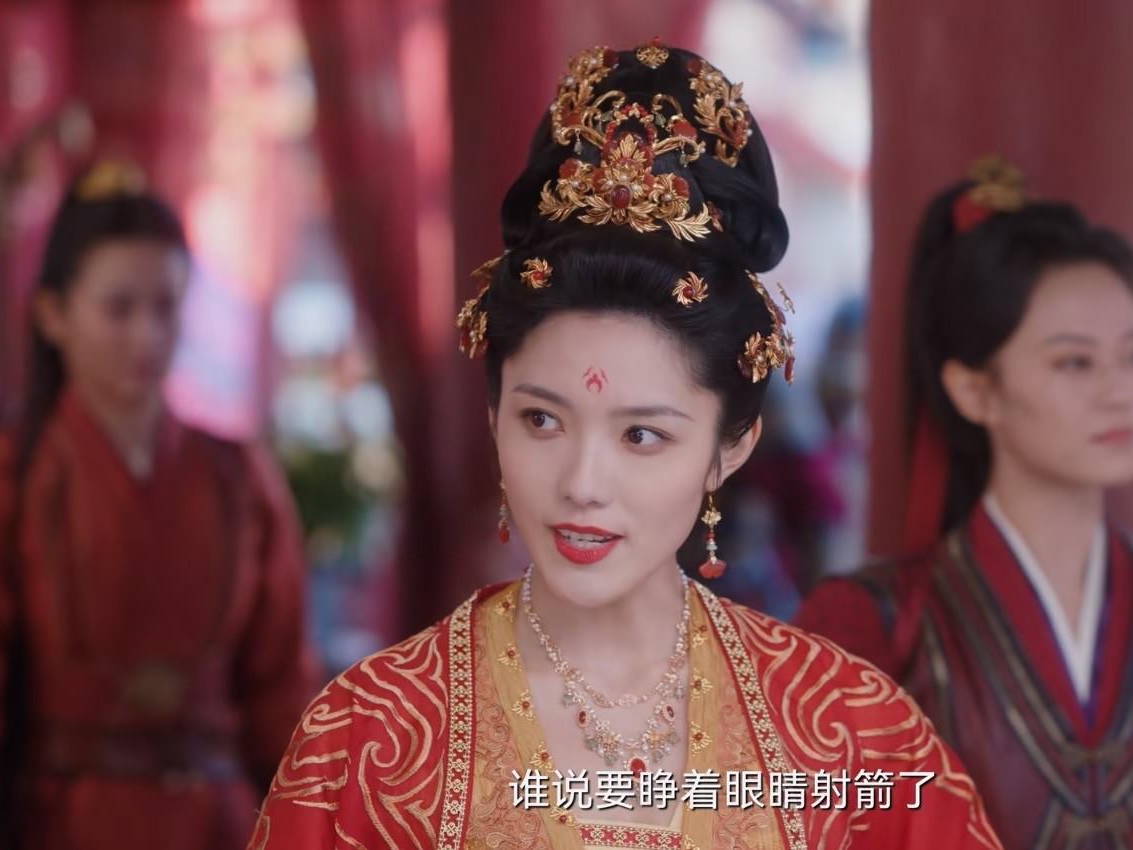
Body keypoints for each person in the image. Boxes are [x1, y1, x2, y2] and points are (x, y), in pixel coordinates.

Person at [249, 44, 1000, 850]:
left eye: (641, 435)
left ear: (731, 447)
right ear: (493, 415)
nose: (581, 483)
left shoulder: (851, 736)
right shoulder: (369, 738)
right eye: (542, 421)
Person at [0, 162, 319, 850]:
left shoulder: (240, 478)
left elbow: (282, 690)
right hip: (63, 824)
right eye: (119, 309)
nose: (148, 335)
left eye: (166, 307)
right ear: (53, 315)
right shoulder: (5, 480)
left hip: (218, 823)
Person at [796, 157, 1133, 848]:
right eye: (1075, 361)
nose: (1119, 390)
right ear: (974, 390)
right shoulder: (867, 632)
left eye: (1131, 356)